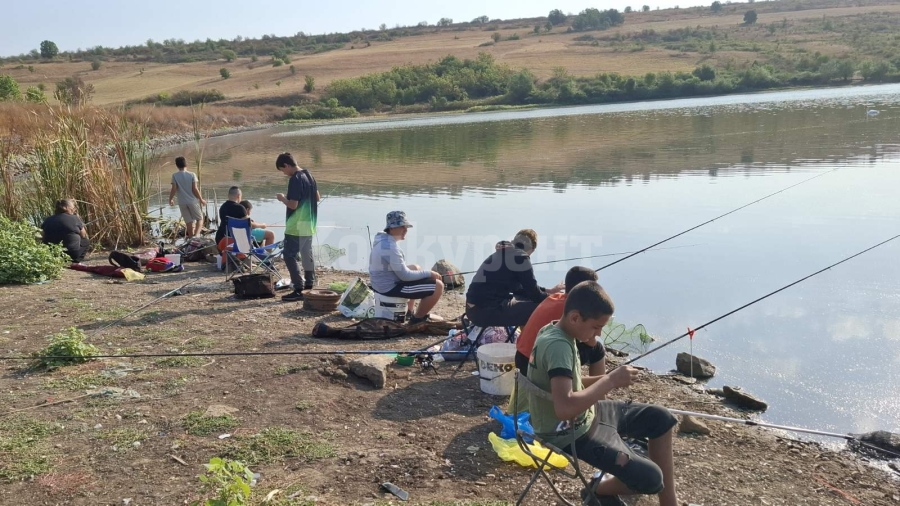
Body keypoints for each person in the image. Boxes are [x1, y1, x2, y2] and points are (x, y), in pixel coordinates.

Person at [527, 281, 679, 506]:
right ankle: (596, 490)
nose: (598, 334)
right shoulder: (558, 347)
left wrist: (613, 379)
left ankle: (670, 504)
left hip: (586, 415)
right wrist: (609, 380)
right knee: (651, 479)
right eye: (596, 326)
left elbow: (569, 384)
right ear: (575, 317)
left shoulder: (554, 330)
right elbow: (564, 408)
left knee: (661, 417)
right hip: (569, 431)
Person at [465, 229, 563, 329]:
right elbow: (535, 295)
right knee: (541, 309)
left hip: (472, 310)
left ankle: (523, 338)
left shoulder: (503, 252)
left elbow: (520, 290)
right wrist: (554, 298)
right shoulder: (522, 258)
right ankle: (527, 342)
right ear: (532, 250)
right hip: (484, 312)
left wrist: (548, 291)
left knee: (525, 301)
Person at [515, 266, 603, 377]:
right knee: (597, 349)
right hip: (534, 365)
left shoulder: (553, 297)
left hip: (521, 358)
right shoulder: (575, 310)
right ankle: (598, 389)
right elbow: (591, 342)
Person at [369, 211, 444, 325]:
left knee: (415, 267)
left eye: (406, 227)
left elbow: (404, 272)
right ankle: (417, 319)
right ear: (391, 228)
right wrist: (429, 273)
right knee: (438, 286)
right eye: (402, 227)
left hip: (381, 283)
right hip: (388, 288)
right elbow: (405, 276)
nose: (406, 230)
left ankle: (409, 311)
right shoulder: (390, 247)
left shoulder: (384, 240)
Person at [275, 152, 319, 302]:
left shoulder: (295, 179)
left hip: (296, 225)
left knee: (289, 255)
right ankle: (309, 283)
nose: (284, 173)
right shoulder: (309, 175)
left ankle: (298, 288)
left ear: (286, 165)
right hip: (310, 222)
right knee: (307, 253)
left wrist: (282, 199)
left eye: (283, 170)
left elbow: (293, 205)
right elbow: (317, 197)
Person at [168, 156, 207, 240]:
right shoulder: (192, 174)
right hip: (192, 201)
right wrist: (201, 199)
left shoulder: (175, 175)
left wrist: (170, 199)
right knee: (200, 219)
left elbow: (174, 189)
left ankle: (191, 238)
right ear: (186, 164)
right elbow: (195, 189)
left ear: (177, 165)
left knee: (189, 222)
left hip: (182, 202)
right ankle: (196, 236)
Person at [41, 198, 92, 263]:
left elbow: (43, 236)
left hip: (52, 254)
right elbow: (83, 234)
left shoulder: (47, 220)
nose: (74, 210)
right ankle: (76, 261)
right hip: (71, 254)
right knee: (86, 241)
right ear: (67, 208)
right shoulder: (74, 218)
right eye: (73, 208)